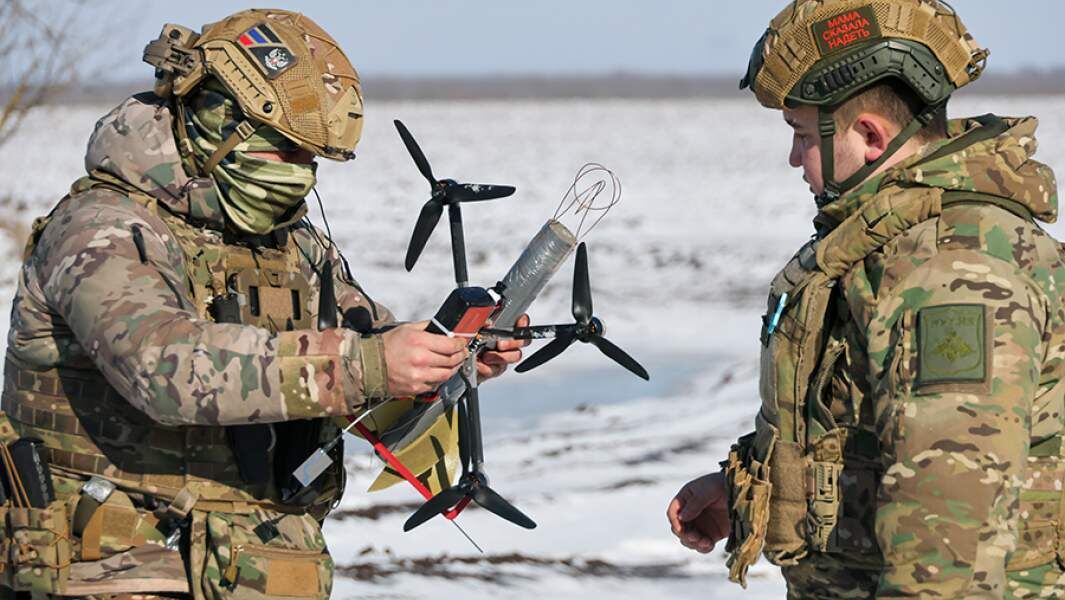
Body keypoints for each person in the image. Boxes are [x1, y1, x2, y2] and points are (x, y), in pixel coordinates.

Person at [0, 9, 525, 599]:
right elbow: (164, 367)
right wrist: (370, 363)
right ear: (217, 119)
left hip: (254, 568)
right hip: (111, 571)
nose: (303, 179)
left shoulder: (290, 240)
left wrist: (439, 356)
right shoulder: (102, 229)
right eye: (287, 152)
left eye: (313, 161)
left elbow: (361, 340)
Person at [667, 0, 1064, 597]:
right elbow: (858, 429)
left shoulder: (952, 270)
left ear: (870, 136)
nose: (794, 158)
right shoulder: (886, 248)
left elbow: (946, 536)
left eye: (802, 136)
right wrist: (755, 488)